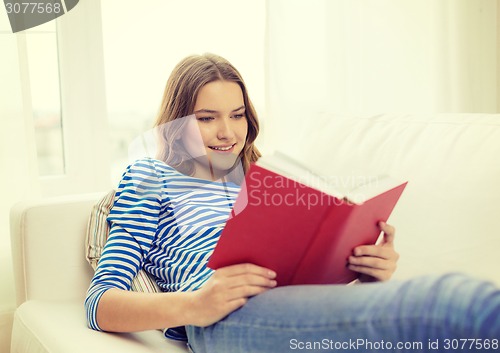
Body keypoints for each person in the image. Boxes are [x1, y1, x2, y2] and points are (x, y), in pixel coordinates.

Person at [85, 53, 500, 352]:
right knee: (453, 304)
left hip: (295, 304)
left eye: (238, 114)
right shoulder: (149, 177)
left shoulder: (265, 177)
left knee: (449, 314)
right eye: (207, 118)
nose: (228, 132)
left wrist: (368, 269)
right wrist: (195, 305)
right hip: (223, 318)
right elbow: (99, 303)